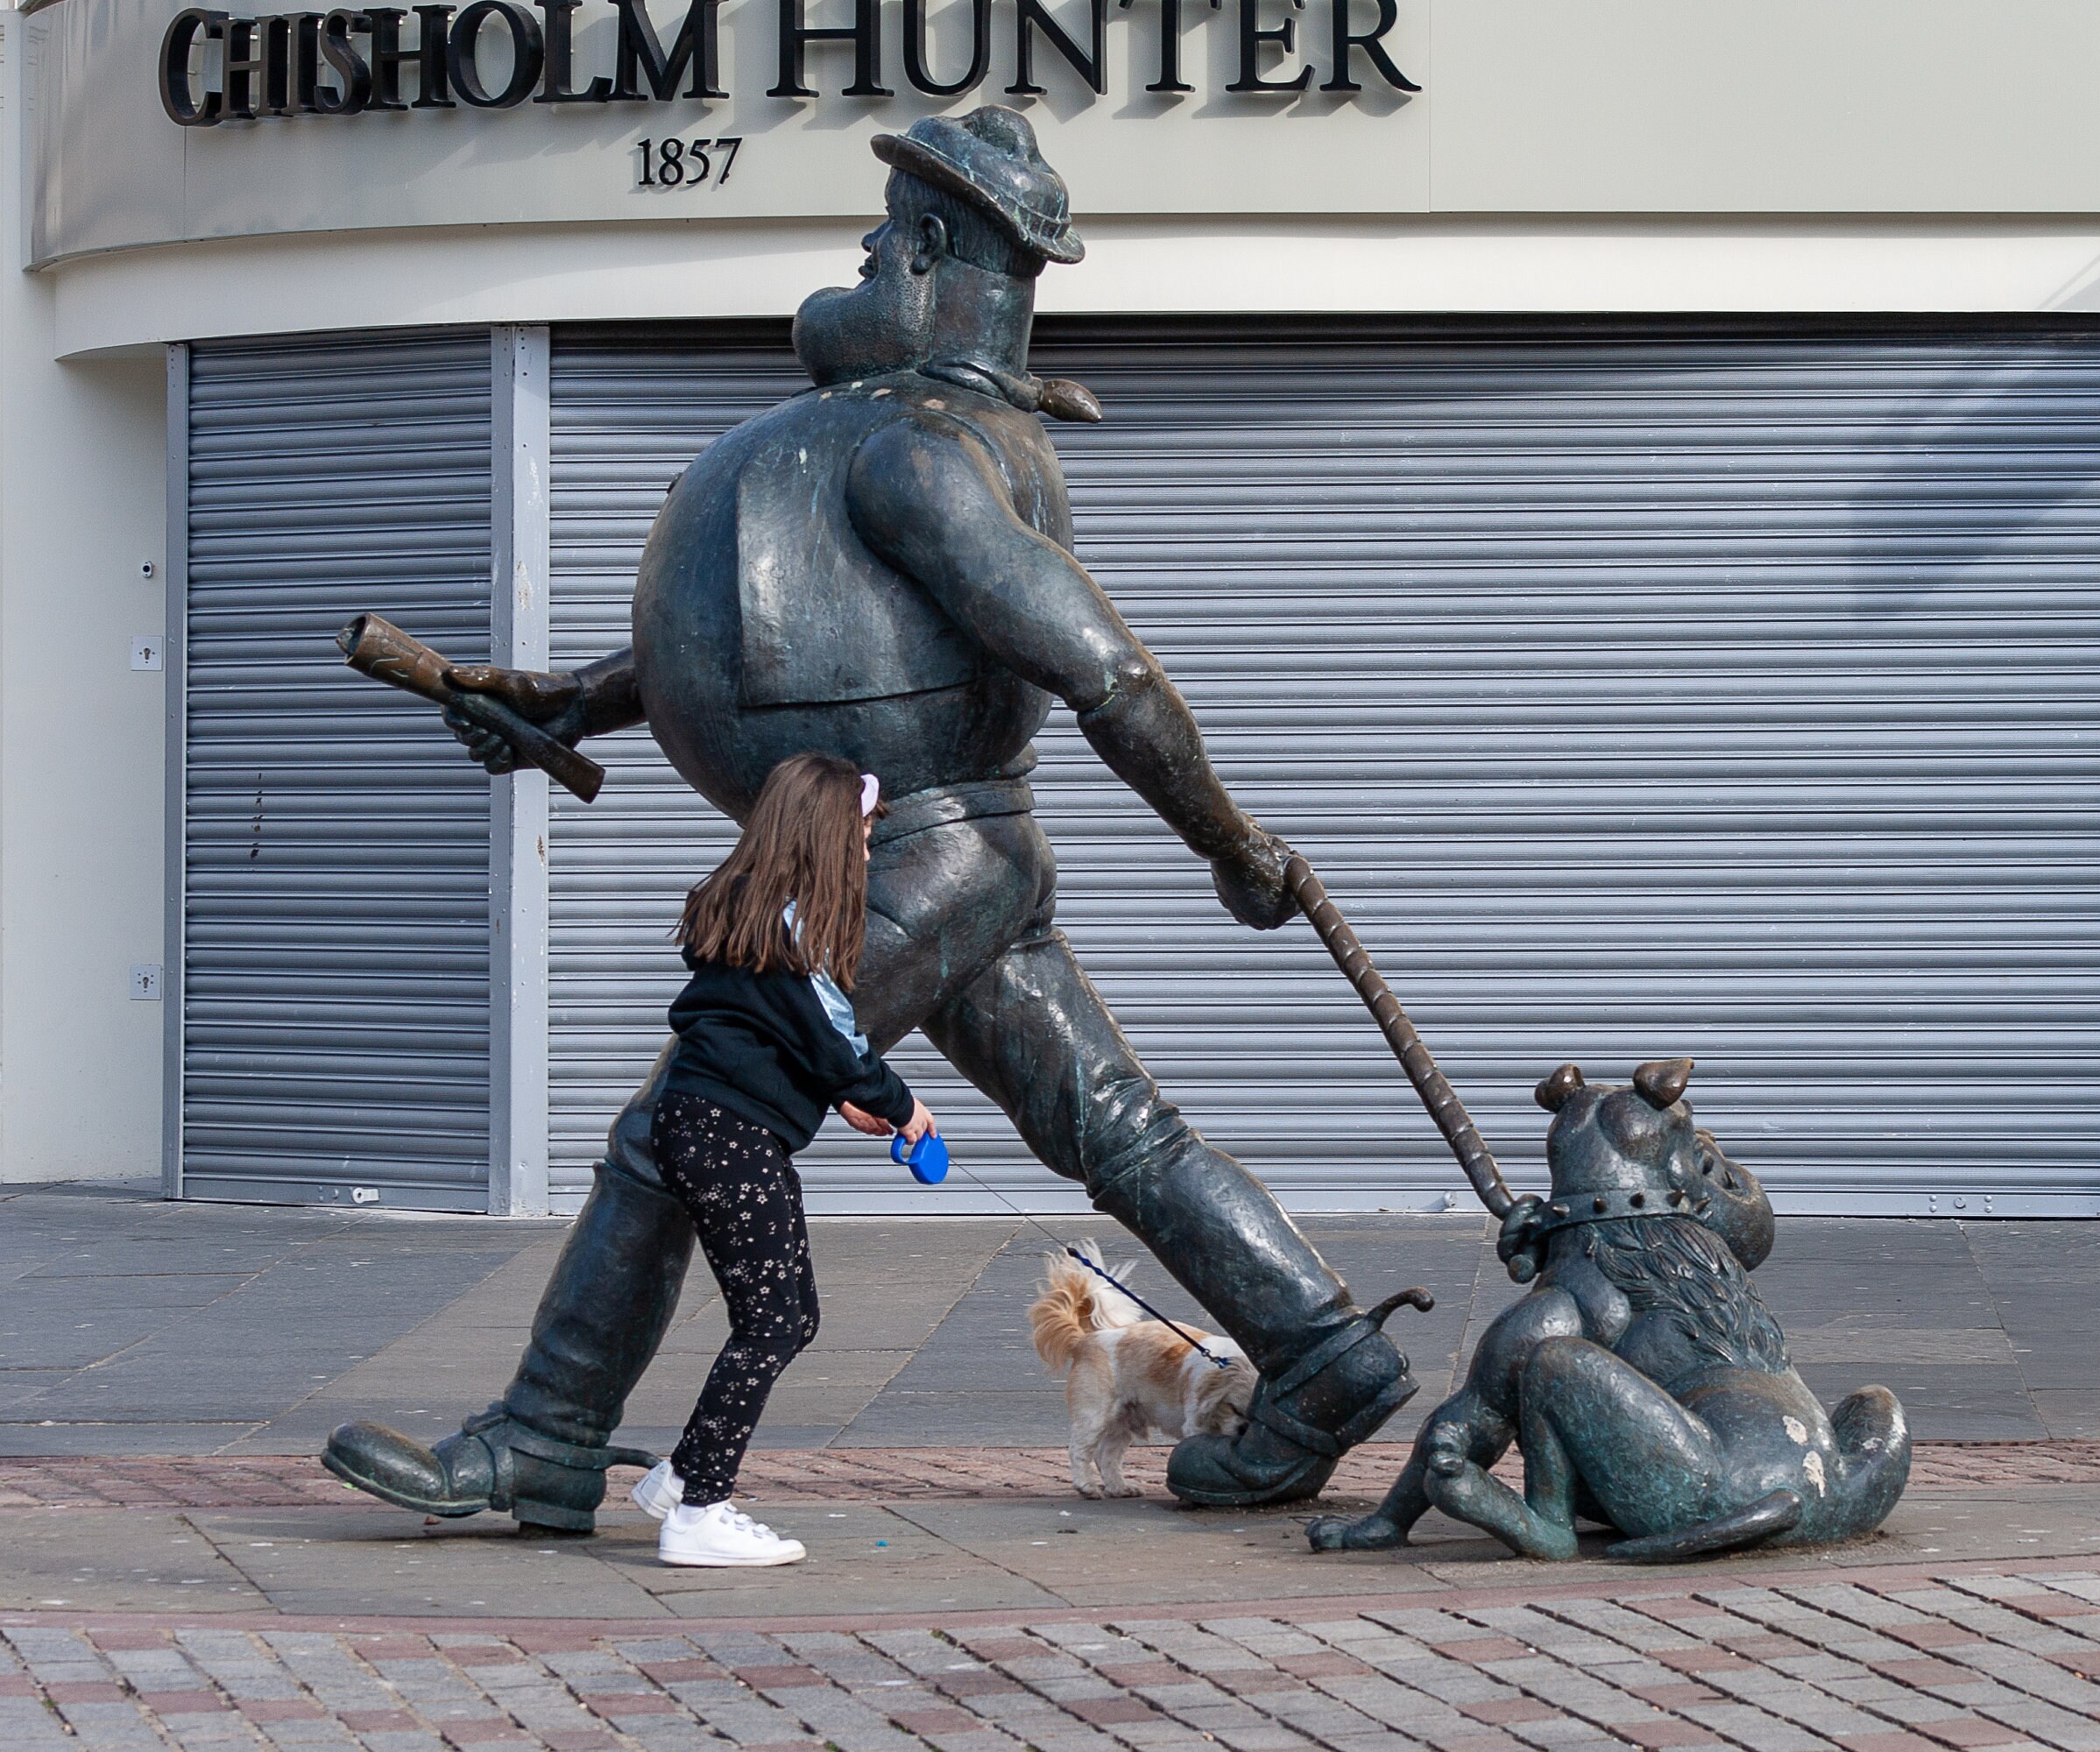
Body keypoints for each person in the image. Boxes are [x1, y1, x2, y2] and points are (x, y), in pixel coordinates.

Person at [321, 105, 1423, 1534]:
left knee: (684, 1123)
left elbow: (1104, 669)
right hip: (926, 857)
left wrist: (1227, 841)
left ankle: (544, 1432)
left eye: (887, 229)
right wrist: (559, 709)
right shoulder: (879, 440)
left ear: (938, 251)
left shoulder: (922, 453)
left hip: (923, 850)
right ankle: (1325, 1356)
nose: (861, 247)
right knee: (1121, 1134)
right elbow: (766, 649)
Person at [623, 752, 934, 1565]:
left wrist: (836, 1094)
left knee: (790, 1317)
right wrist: (902, 1105)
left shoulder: (755, 916)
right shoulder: (794, 928)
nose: (869, 852)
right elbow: (835, 1042)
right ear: (827, 836)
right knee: (772, 1322)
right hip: (728, 1139)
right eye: (863, 834)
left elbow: (773, 1034)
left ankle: (679, 1477)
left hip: (711, 1128)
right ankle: (698, 1515)